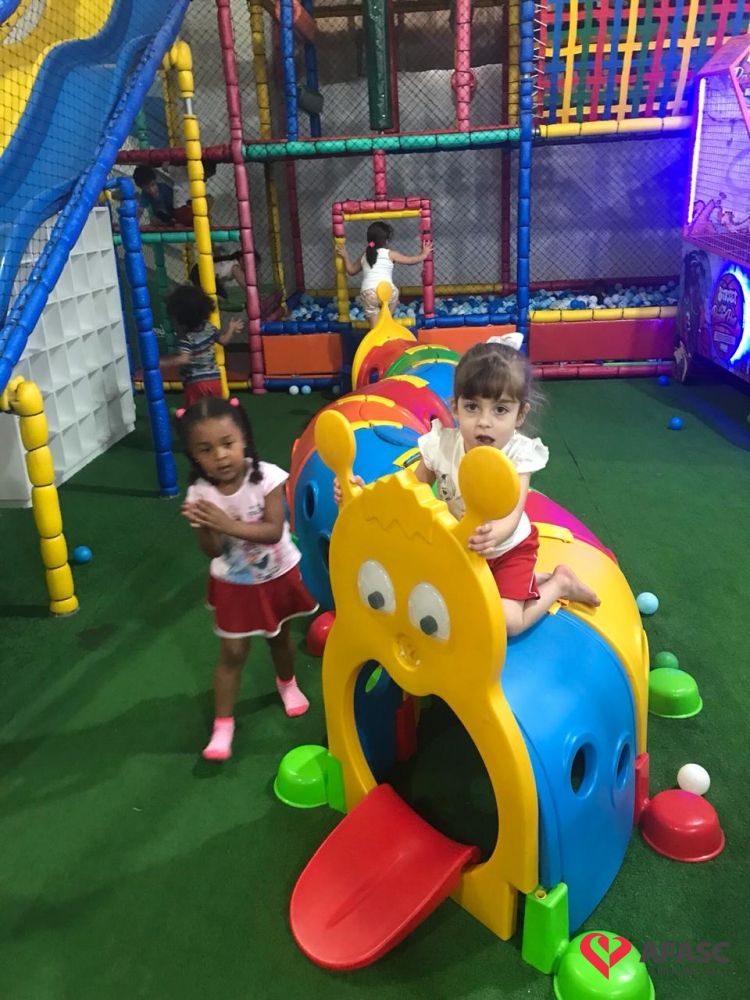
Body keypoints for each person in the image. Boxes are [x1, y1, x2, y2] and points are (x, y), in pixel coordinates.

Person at [334, 334, 600, 636]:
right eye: (472, 407)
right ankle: (530, 581)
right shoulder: (442, 445)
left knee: (508, 623)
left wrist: (495, 533)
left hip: (509, 550)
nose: (484, 421)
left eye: (500, 410)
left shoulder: (517, 454)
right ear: (455, 407)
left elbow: (513, 514)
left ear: (520, 415)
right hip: (458, 549)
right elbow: (409, 486)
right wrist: (362, 493)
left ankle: (560, 583)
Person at [179, 396, 318, 761]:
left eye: (227, 443)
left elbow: (273, 531)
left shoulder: (267, 477)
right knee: (232, 653)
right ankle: (223, 724)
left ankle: (287, 683)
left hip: (276, 575)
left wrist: (226, 524)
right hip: (235, 584)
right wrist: (204, 526)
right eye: (206, 450)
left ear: (244, 438)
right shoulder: (201, 493)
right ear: (194, 456)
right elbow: (212, 551)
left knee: (280, 638)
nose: (220, 456)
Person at [336, 221, 433, 328]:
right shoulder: (390, 254)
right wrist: (424, 254)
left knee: (375, 329)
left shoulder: (365, 255)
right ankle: (386, 319)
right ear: (386, 241)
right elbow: (410, 261)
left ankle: (376, 324)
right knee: (395, 294)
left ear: (370, 240)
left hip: (368, 293)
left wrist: (345, 256)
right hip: (387, 292)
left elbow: (351, 271)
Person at [161, 285, 244, 406]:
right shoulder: (209, 327)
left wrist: (162, 363)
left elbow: (184, 359)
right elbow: (224, 340)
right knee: (214, 409)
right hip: (215, 380)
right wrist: (231, 328)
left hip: (196, 382)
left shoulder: (186, 337)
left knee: (195, 411)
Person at [133, 162, 217, 227]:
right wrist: (134, 224)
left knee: (208, 201)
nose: (151, 190)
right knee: (155, 220)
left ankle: (176, 222)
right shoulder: (145, 195)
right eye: (146, 188)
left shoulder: (164, 188)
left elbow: (176, 204)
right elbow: (140, 210)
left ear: (155, 180)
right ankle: (173, 222)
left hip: (176, 213)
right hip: (169, 216)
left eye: (152, 185)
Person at [189, 249, 261, 300]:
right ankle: (198, 294)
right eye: (252, 265)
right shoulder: (235, 266)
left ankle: (198, 293)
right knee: (222, 297)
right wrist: (254, 295)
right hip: (201, 272)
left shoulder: (231, 261)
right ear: (242, 259)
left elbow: (220, 280)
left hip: (199, 271)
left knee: (221, 295)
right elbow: (245, 284)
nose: (251, 269)